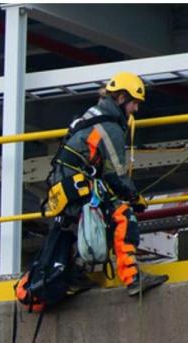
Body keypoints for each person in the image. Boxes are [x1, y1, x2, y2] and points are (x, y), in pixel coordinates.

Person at [47, 71, 168, 297]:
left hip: (67, 187)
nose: (136, 110)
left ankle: (76, 273)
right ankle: (133, 278)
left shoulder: (92, 115)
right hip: (78, 187)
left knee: (86, 224)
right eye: (134, 103)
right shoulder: (109, 127)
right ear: (121, 98)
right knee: (123, 215)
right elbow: (116, 175)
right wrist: (134, 197)